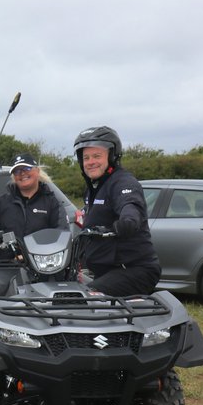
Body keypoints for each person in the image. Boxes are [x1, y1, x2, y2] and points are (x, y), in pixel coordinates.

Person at [74, 125, 161, 296]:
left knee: (84, 298)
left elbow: (130, 204)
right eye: (86, 157)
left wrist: (128, 221)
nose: (90, 162)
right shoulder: (94, 188)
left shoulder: (122, 183)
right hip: (108, 270)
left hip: (133, 270)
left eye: (97, 156)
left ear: (112, 156)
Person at [0, 152, 68, 241]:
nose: (22, 173)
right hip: (9, 255)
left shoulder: (52, 203)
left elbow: (61, 237)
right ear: (13, 177)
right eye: (17, 171)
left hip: (41, 254)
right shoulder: (2, 203)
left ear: (37, 171)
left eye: (27, 168)